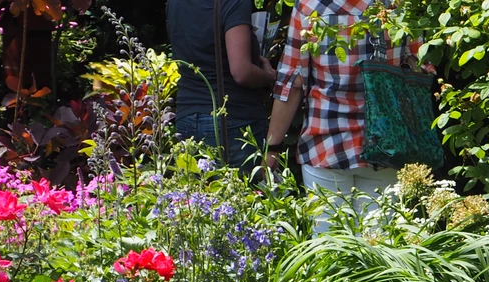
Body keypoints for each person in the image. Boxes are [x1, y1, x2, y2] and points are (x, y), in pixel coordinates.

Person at [265, 0, 419, 223]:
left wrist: (273, 146)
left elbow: (293, 81)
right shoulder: (399, 5)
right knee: (381, 248)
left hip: (325, 144)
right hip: (387, 145)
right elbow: (418, 68)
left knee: (329, 249)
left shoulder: (309, 6)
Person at [168, 0, 277, 172]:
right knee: (245, 195)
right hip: (231, 119)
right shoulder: (233, 2)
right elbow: (242, 72)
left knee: (195, 197)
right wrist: (269, 77)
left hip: (186, 115)